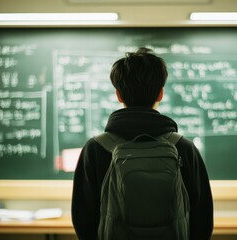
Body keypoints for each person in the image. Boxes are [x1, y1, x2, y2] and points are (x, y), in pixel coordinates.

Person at [71, 47, 214, 240]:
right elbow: (202, 220)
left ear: (118, 95)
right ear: (160, 94)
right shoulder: (184, 149)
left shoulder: (95, 149)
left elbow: (83, 220)